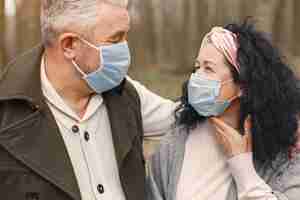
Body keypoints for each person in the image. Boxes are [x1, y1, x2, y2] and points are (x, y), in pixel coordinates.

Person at [0, 0, 177, 200]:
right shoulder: (7, 112)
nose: (125, 49)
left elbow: (183, 117)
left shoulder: (125, 93)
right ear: (69, 45)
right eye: (115, 39)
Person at [146, 20, 300, 200]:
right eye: (197, 67)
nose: (195, 77)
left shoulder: (284, 153)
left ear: (243, 84)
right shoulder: (177, 140)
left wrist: (243, 168)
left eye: (208, 68)